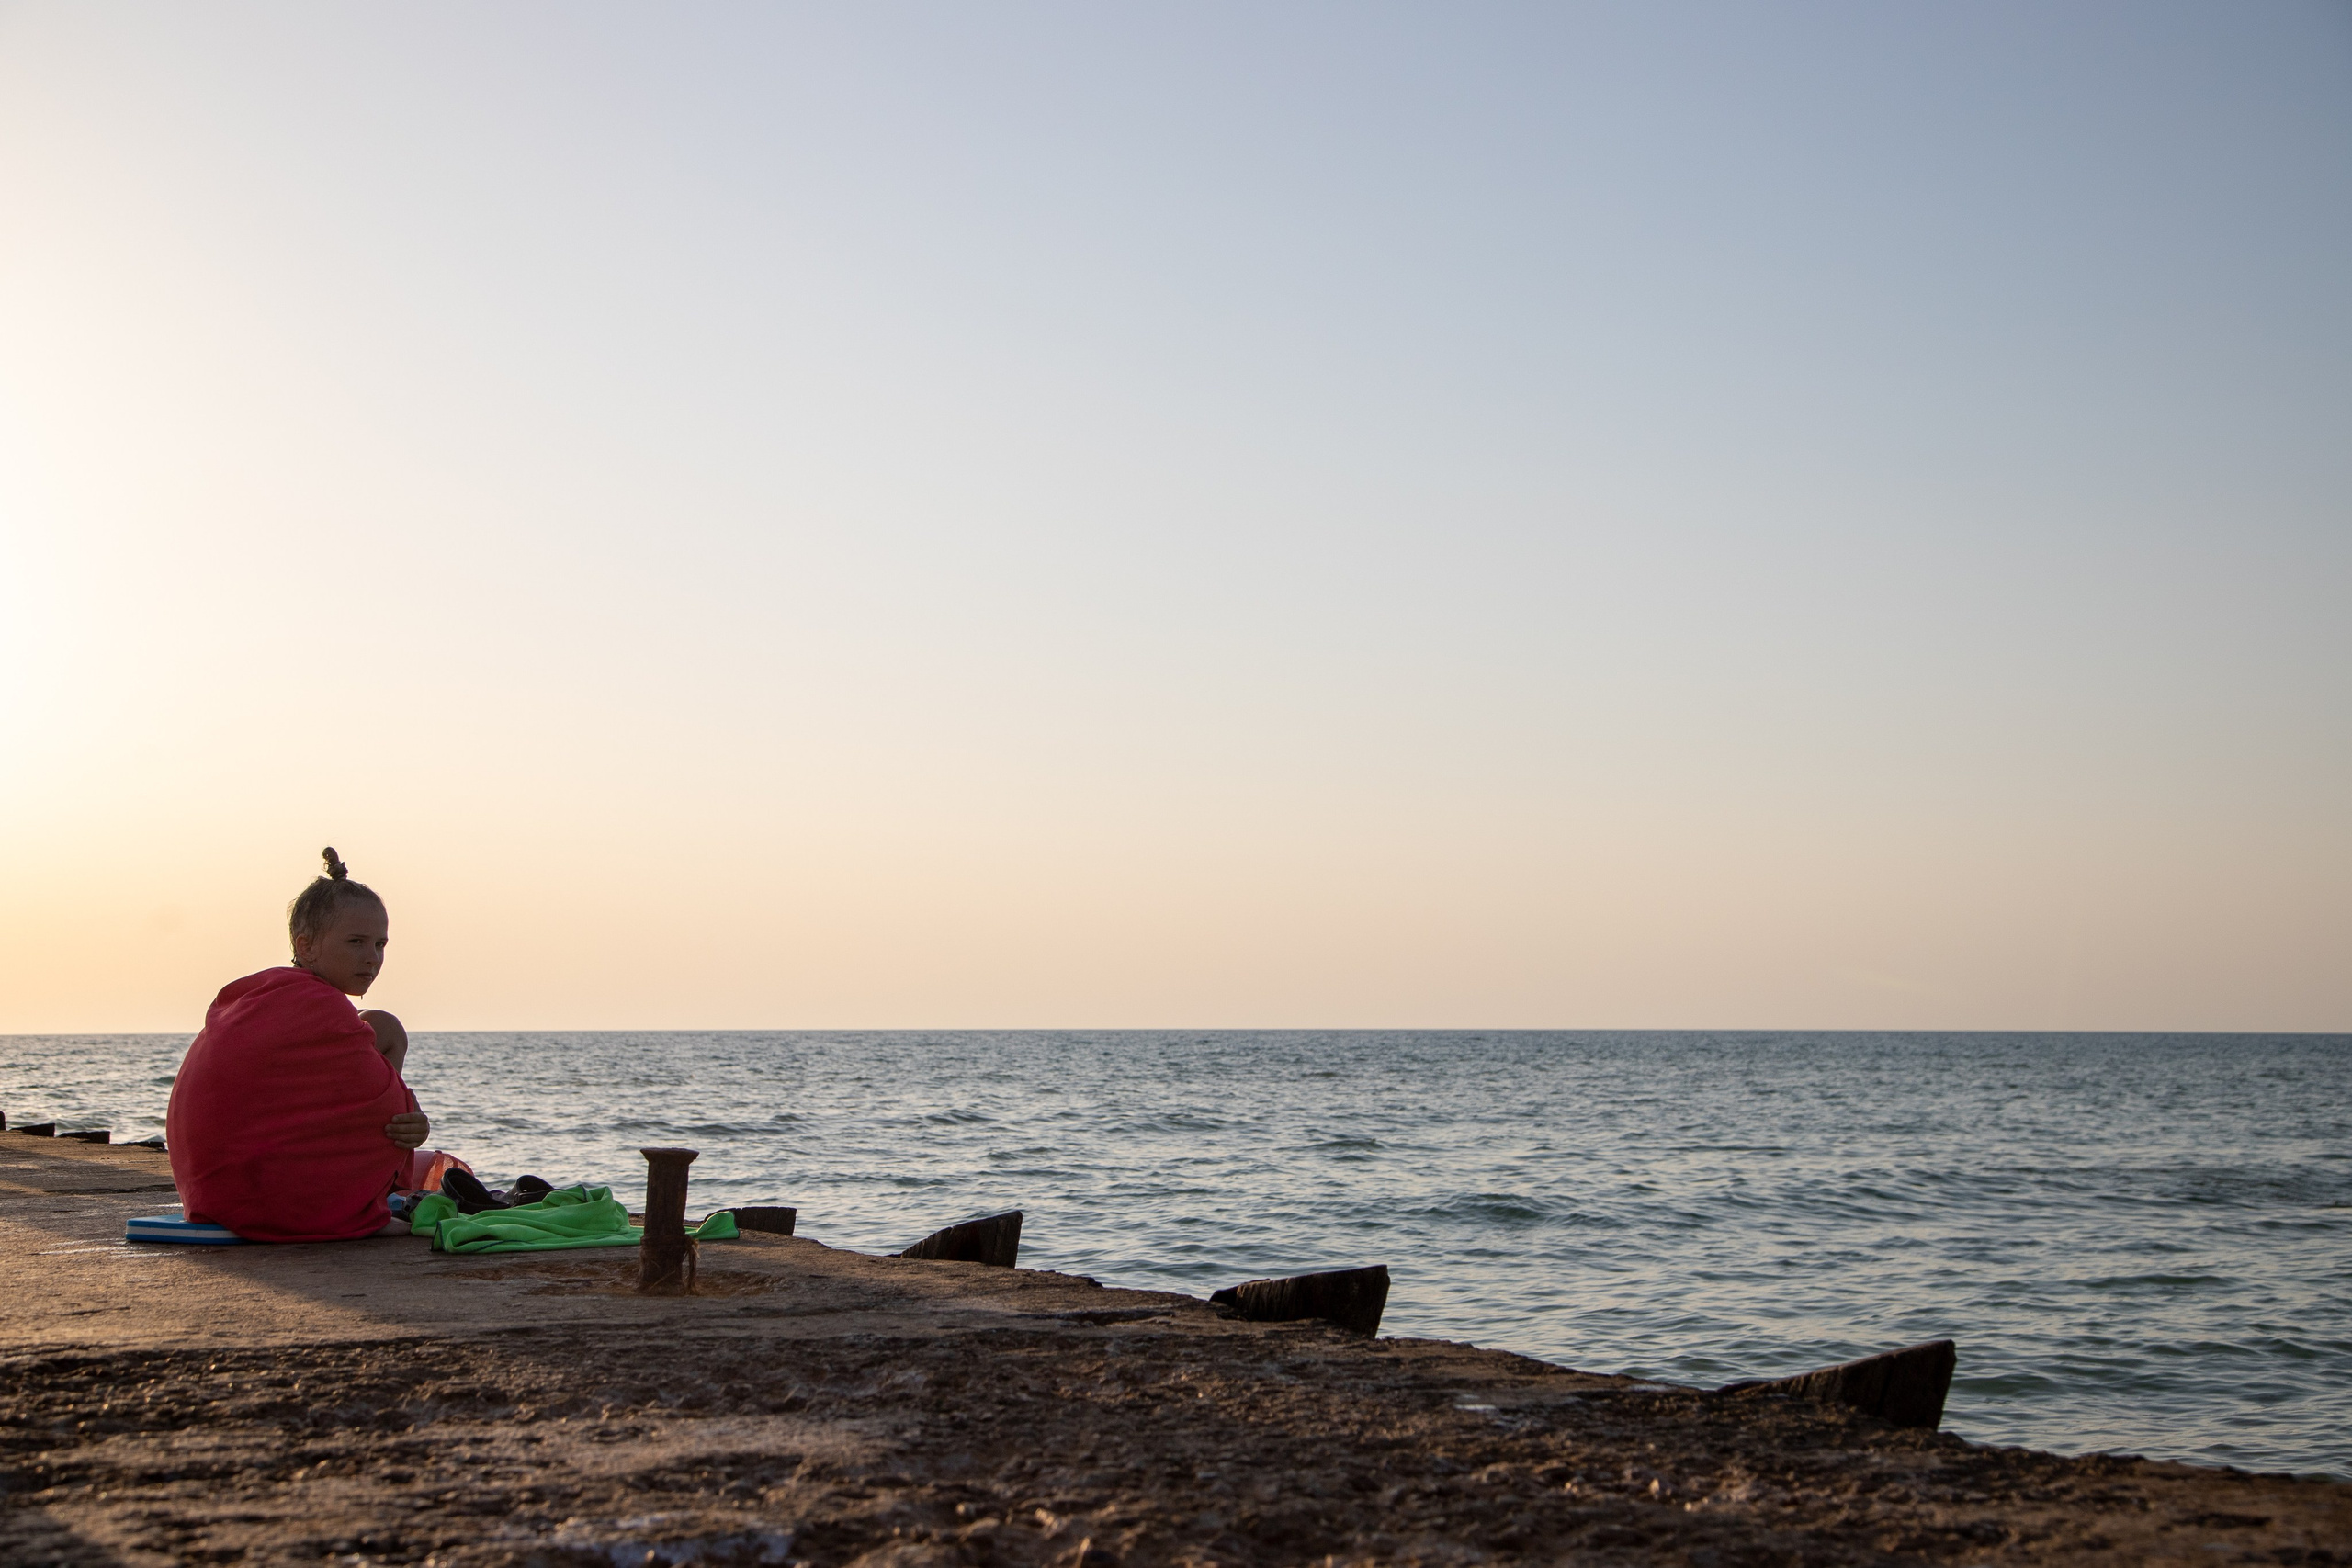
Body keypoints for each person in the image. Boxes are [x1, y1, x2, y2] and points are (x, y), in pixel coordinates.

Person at [165, 849, 432, 1241]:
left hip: (210, 1198)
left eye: (380, 945)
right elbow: (383, 1110)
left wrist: (400, 1111)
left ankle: (365, 1199)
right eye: (356, 942)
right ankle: (363, 1208)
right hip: (272, 1203)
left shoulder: (260, 996)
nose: (371, 958)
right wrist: (409, 1116)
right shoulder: (322, 1006)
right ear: (305, 946)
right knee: (387, 1028)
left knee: (380, 1028)